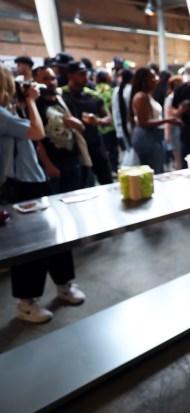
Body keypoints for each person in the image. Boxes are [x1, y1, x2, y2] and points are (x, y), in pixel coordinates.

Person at [0, 63, 85, 323]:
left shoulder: (8, 109)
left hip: (35, 178)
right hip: (20, 184)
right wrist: (32, 101)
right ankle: (27, 302)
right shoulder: (2, 114)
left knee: (57, 235)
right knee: (30, 245)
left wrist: (24, 101)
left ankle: (64, 284)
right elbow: (37, 132)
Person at [61, 60, 114, 187]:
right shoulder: (60, 95)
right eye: (81, 74)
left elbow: (108, 119)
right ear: (70, 76)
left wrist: (97, 121)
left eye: (86, 74)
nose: (85, 77)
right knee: (81, 187)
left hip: (95, 145)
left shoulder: (93, 96)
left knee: (107, 182)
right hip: (73, 149)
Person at [33, 65, 84, 194]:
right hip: (52, 163)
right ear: (36, 82)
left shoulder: (64, 100)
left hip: (73, 160)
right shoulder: (34, 105)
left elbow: (81, 127)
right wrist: (48, 165)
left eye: (53, 78)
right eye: (45, 79)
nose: (51, 82)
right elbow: (36, 140)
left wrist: (76, 123)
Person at [129, 67, 182, 174]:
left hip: (153, 136)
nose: (156, 79)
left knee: (157, 169)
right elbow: (143, 122)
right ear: (144, 80)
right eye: (152, 78)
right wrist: (167, 120)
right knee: (154, 172)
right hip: (147, 137)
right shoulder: (141, 96)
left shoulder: (147, 95)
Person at [95, 69, 119, 172]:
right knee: (112, 149)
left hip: (99, 124)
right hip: (110, 124)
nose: (111, 77)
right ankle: (113, 168)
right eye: (109, 75)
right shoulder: (110, 90)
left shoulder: (95, 89)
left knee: (105, 148)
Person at [111, 69, 134, 159]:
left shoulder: (116, 90)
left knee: (127, 151)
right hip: (129, 125)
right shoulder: (129, 90)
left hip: (120, 125)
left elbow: (114, 110)